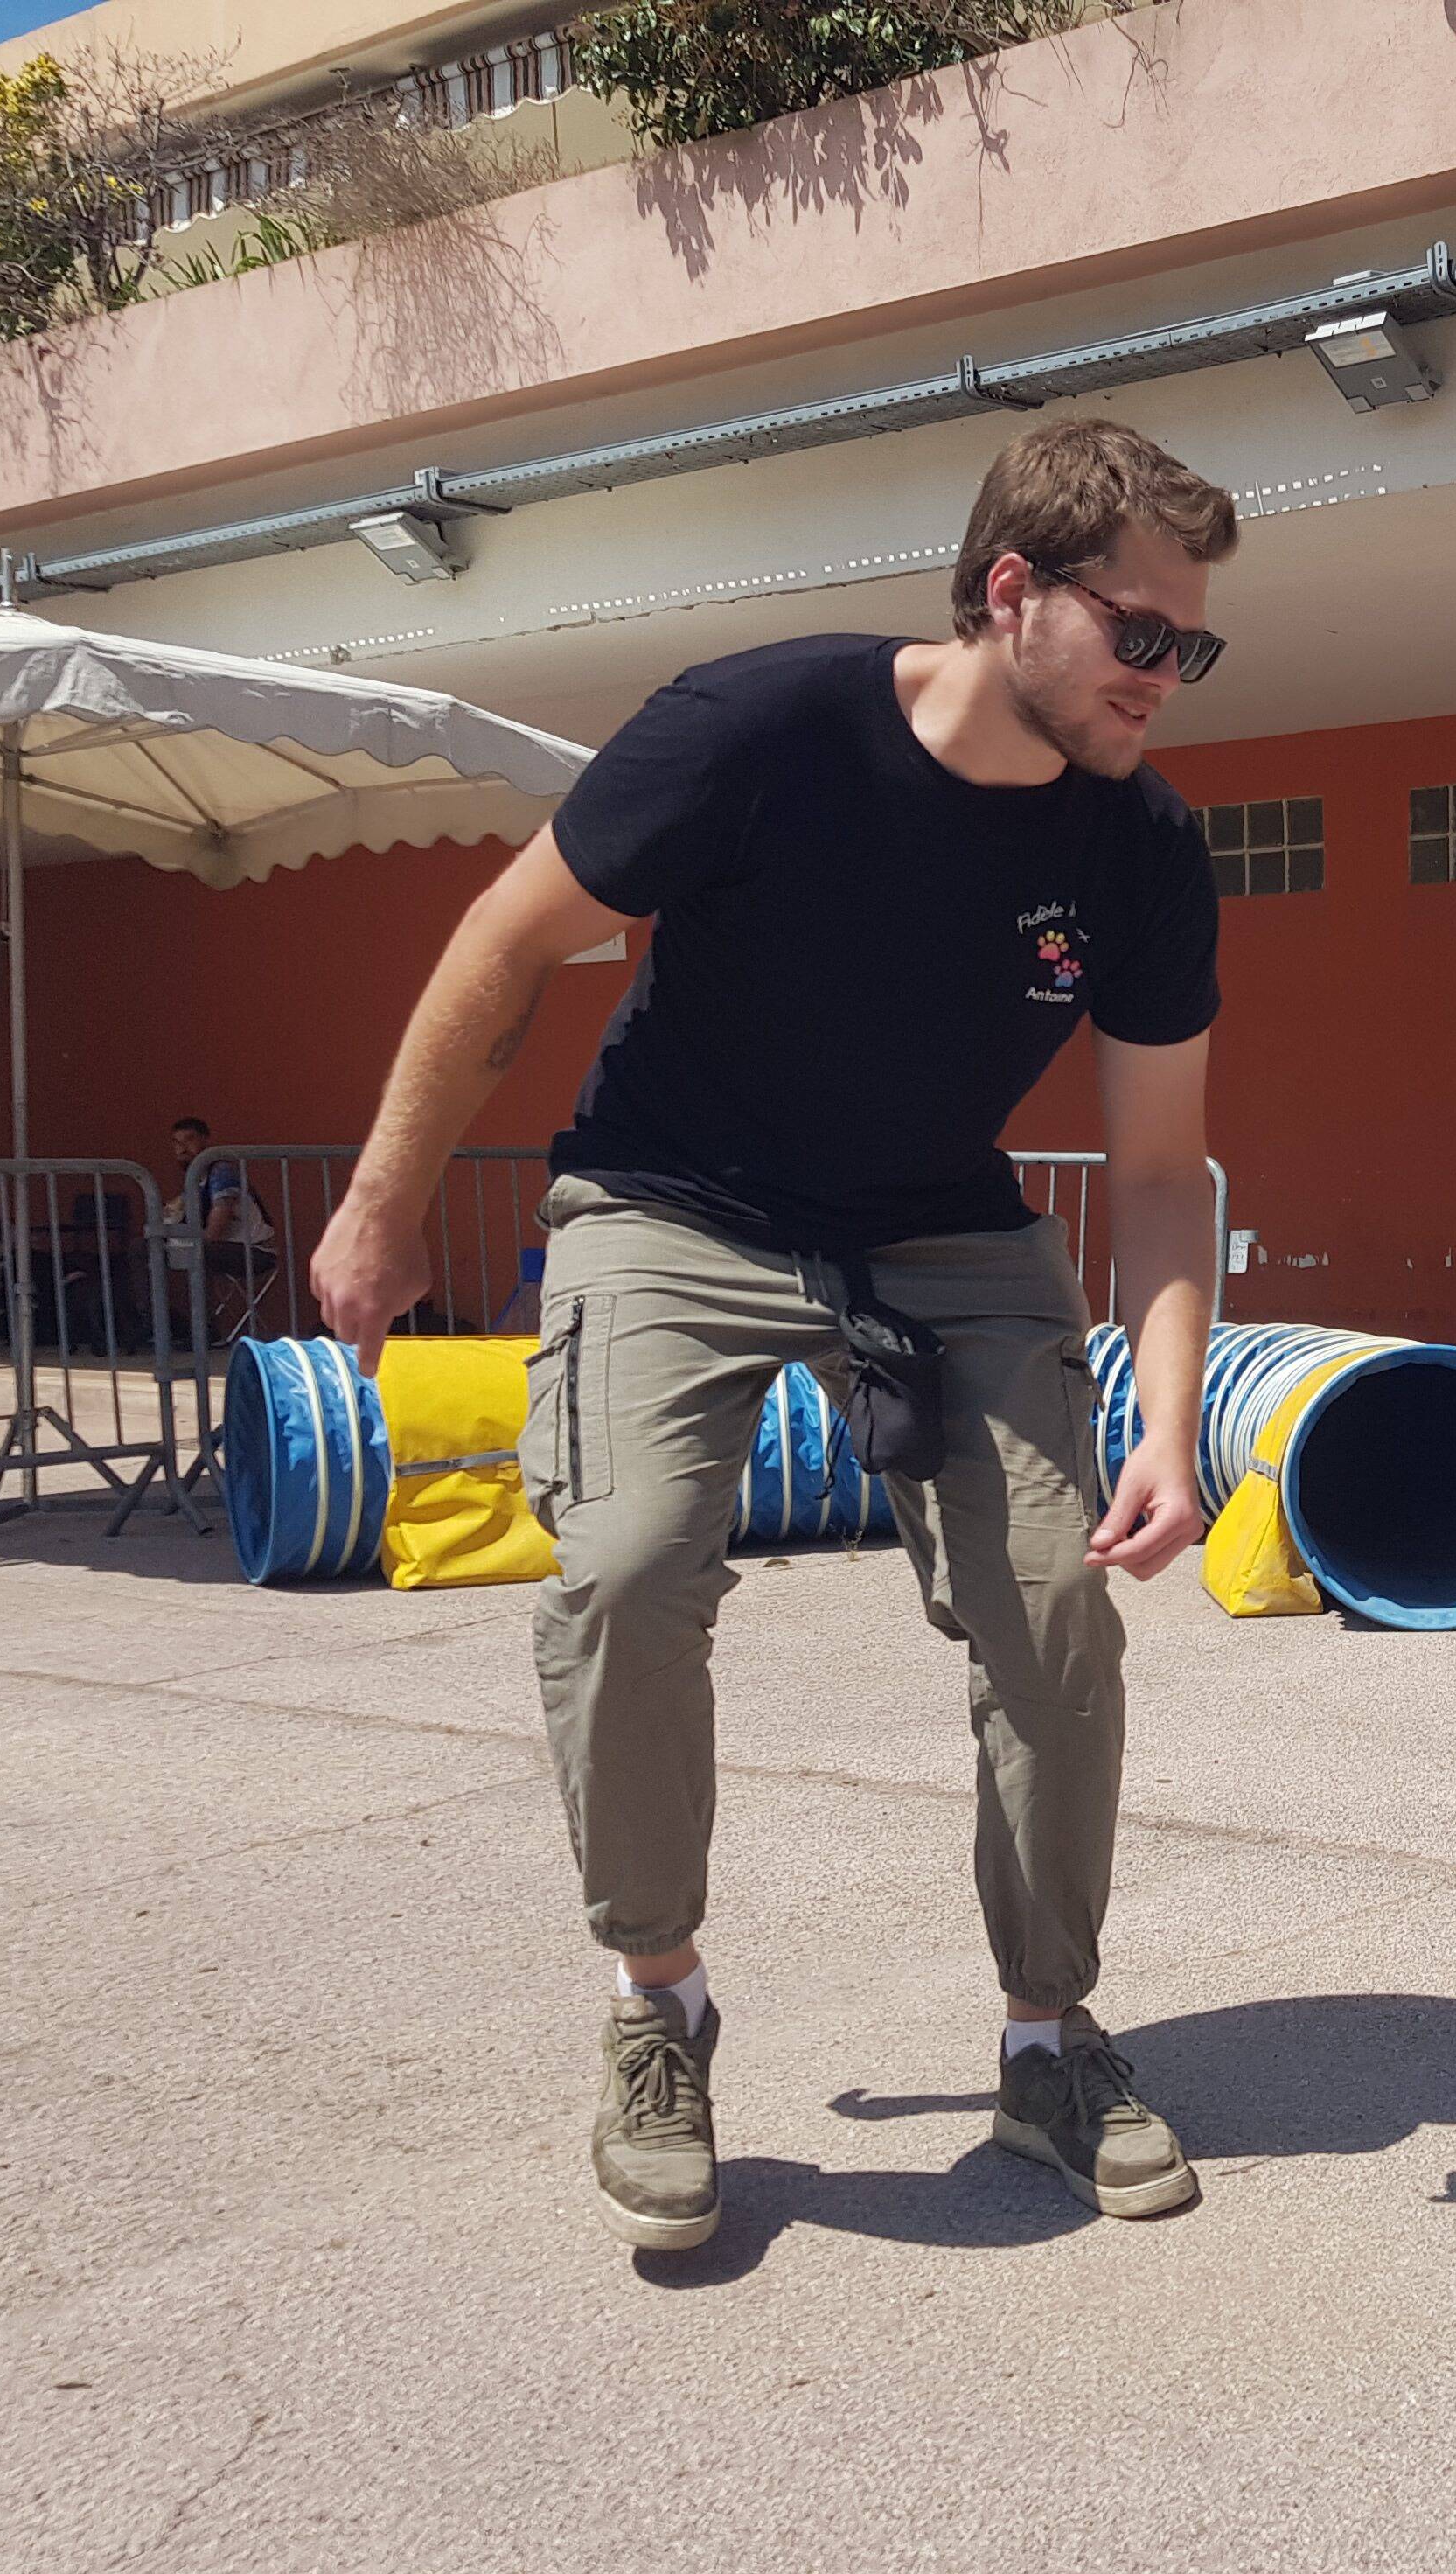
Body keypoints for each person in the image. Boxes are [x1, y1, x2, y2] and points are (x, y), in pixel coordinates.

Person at [312, 418, 1233, 2252]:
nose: (1166, 676)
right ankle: (659, 2007)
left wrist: (1167, 1420)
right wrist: (379, 1201)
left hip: (941, 1227)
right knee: (629, 1561)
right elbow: (506, 941)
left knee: (1054, 1606)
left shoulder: (1138, 848)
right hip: (677, 1199)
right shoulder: (754, 732)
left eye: (1191, 646)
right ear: (1011, 592)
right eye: (1140, 633)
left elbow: (1157, 1170)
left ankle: (1047, 2041)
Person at [169, 1116, 280, 1342]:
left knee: (197, 1253)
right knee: (143, 1249)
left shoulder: (222, 1173)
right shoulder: (194, 1181)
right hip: (222, 1248)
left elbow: (214, 1231)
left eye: (189, 1140)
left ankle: (204, 1331)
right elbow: (176, 1217)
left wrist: (179, 1243)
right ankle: (154, 1325)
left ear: (206, 1141)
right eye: (177, 1143)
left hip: (255, 1251)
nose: (182, 1149)